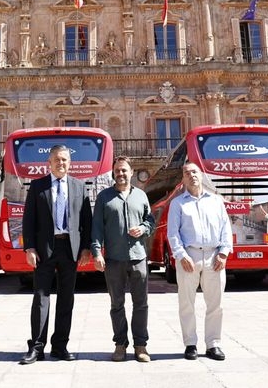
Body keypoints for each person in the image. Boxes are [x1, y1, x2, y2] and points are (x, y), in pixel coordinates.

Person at [20, 144, 92, 365]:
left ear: (70, 163)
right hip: (44, 250)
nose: (61, 163)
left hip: (70, 250)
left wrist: (87, 248)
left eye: (65, 160)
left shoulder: (80, 187)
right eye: (57, 160)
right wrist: (29, 247)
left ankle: (60, 346)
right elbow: (28, 219)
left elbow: (86, 221)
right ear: (49, 163)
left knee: (66, 299)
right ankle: (37, 347)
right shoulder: (37, 186)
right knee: (41, 297)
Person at [91, 156, 155, 363]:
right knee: (116, 304)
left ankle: (140, 345)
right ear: (113, 173)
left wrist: (143, 229)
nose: (121, 174)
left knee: (141, 304)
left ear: (131, 172)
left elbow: (150, 221)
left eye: (124, 170)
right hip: (114, 259)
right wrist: (97, 253)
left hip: (138, 257)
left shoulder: (141, 196)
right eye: (117, 171)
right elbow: (97, 228)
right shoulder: (104, 198)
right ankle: (120, 344)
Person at [167, 161, 233, 361]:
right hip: (189, 256)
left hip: (214, 256)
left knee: (216, 303)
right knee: (186, 303)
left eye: (194, 172)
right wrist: (181, 255)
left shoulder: (216, 201)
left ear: (201, 175)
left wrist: (223, 253)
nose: (191, 175)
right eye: (187, 173)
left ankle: (213, 344)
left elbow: (226, 229)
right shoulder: (177, 204)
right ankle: (190, 344)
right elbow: (173, 233)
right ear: (184, 179)